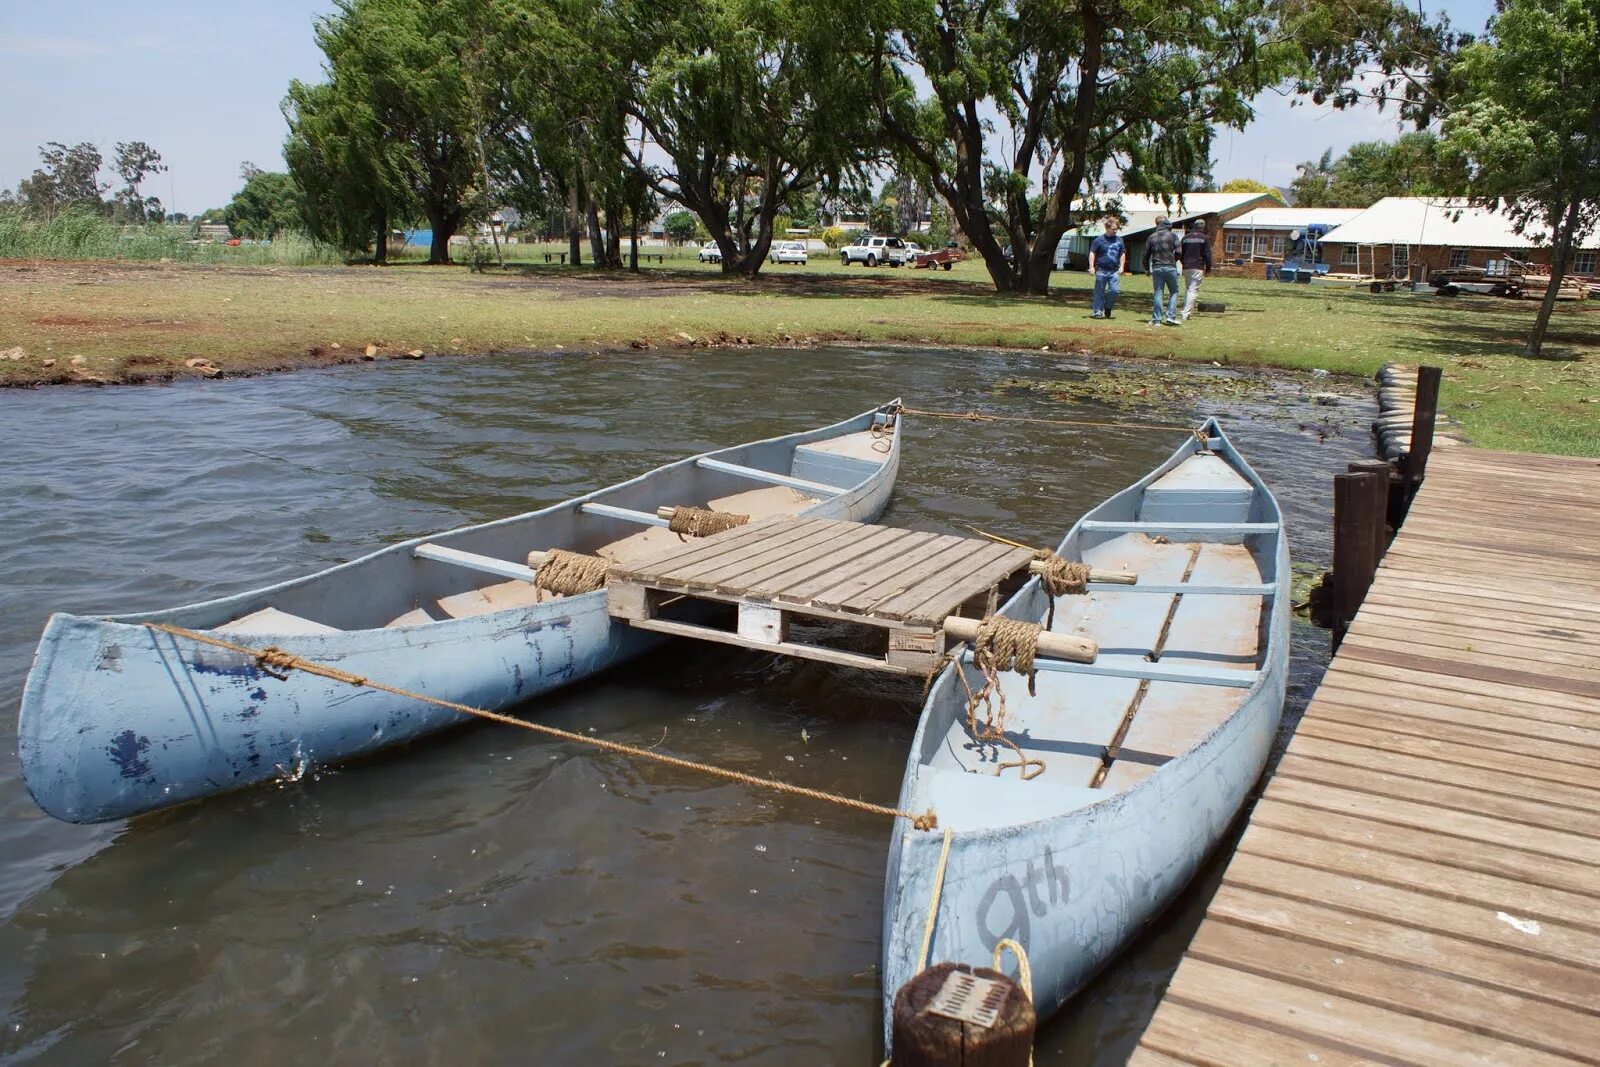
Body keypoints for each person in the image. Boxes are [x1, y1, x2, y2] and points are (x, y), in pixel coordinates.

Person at [1145, 216, 1181, 326]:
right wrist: (1173, 261)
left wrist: (1146, 268)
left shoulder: (1151, 237)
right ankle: (1170, 316)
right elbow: (1179, 251)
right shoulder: (1173, 236)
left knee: (1158, 293)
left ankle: (1157, 320)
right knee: (1174, 291)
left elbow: (1146, 254)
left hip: (1156, 267)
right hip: (1170, 267)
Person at [1089, 218, 1125, 319]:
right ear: (1107, 228)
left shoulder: (1119, 240)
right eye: (1113, 229)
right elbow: (1092, 253)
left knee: (1114, 290)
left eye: (1116, 229)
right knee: (1099, 291)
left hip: (1114, 270)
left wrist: (1122, 266)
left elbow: (1122, 253)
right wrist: (1091, 266)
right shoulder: (1099, 240)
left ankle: (1108, 307)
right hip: (1101, 270)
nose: (1115, 231)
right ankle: (1098, 311)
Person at [1180, 219, 1213, 321]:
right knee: (1193, 290)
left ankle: (1186, 311)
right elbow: (1207, 255)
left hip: (1186, 267)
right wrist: (1208, 268)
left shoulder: (1185, 238)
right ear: (1202, 227)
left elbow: (1180, 253)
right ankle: (1186, 313)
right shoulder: (1204, 238)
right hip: (1197, 267)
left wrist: (1184, 263)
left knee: (1188, 289)